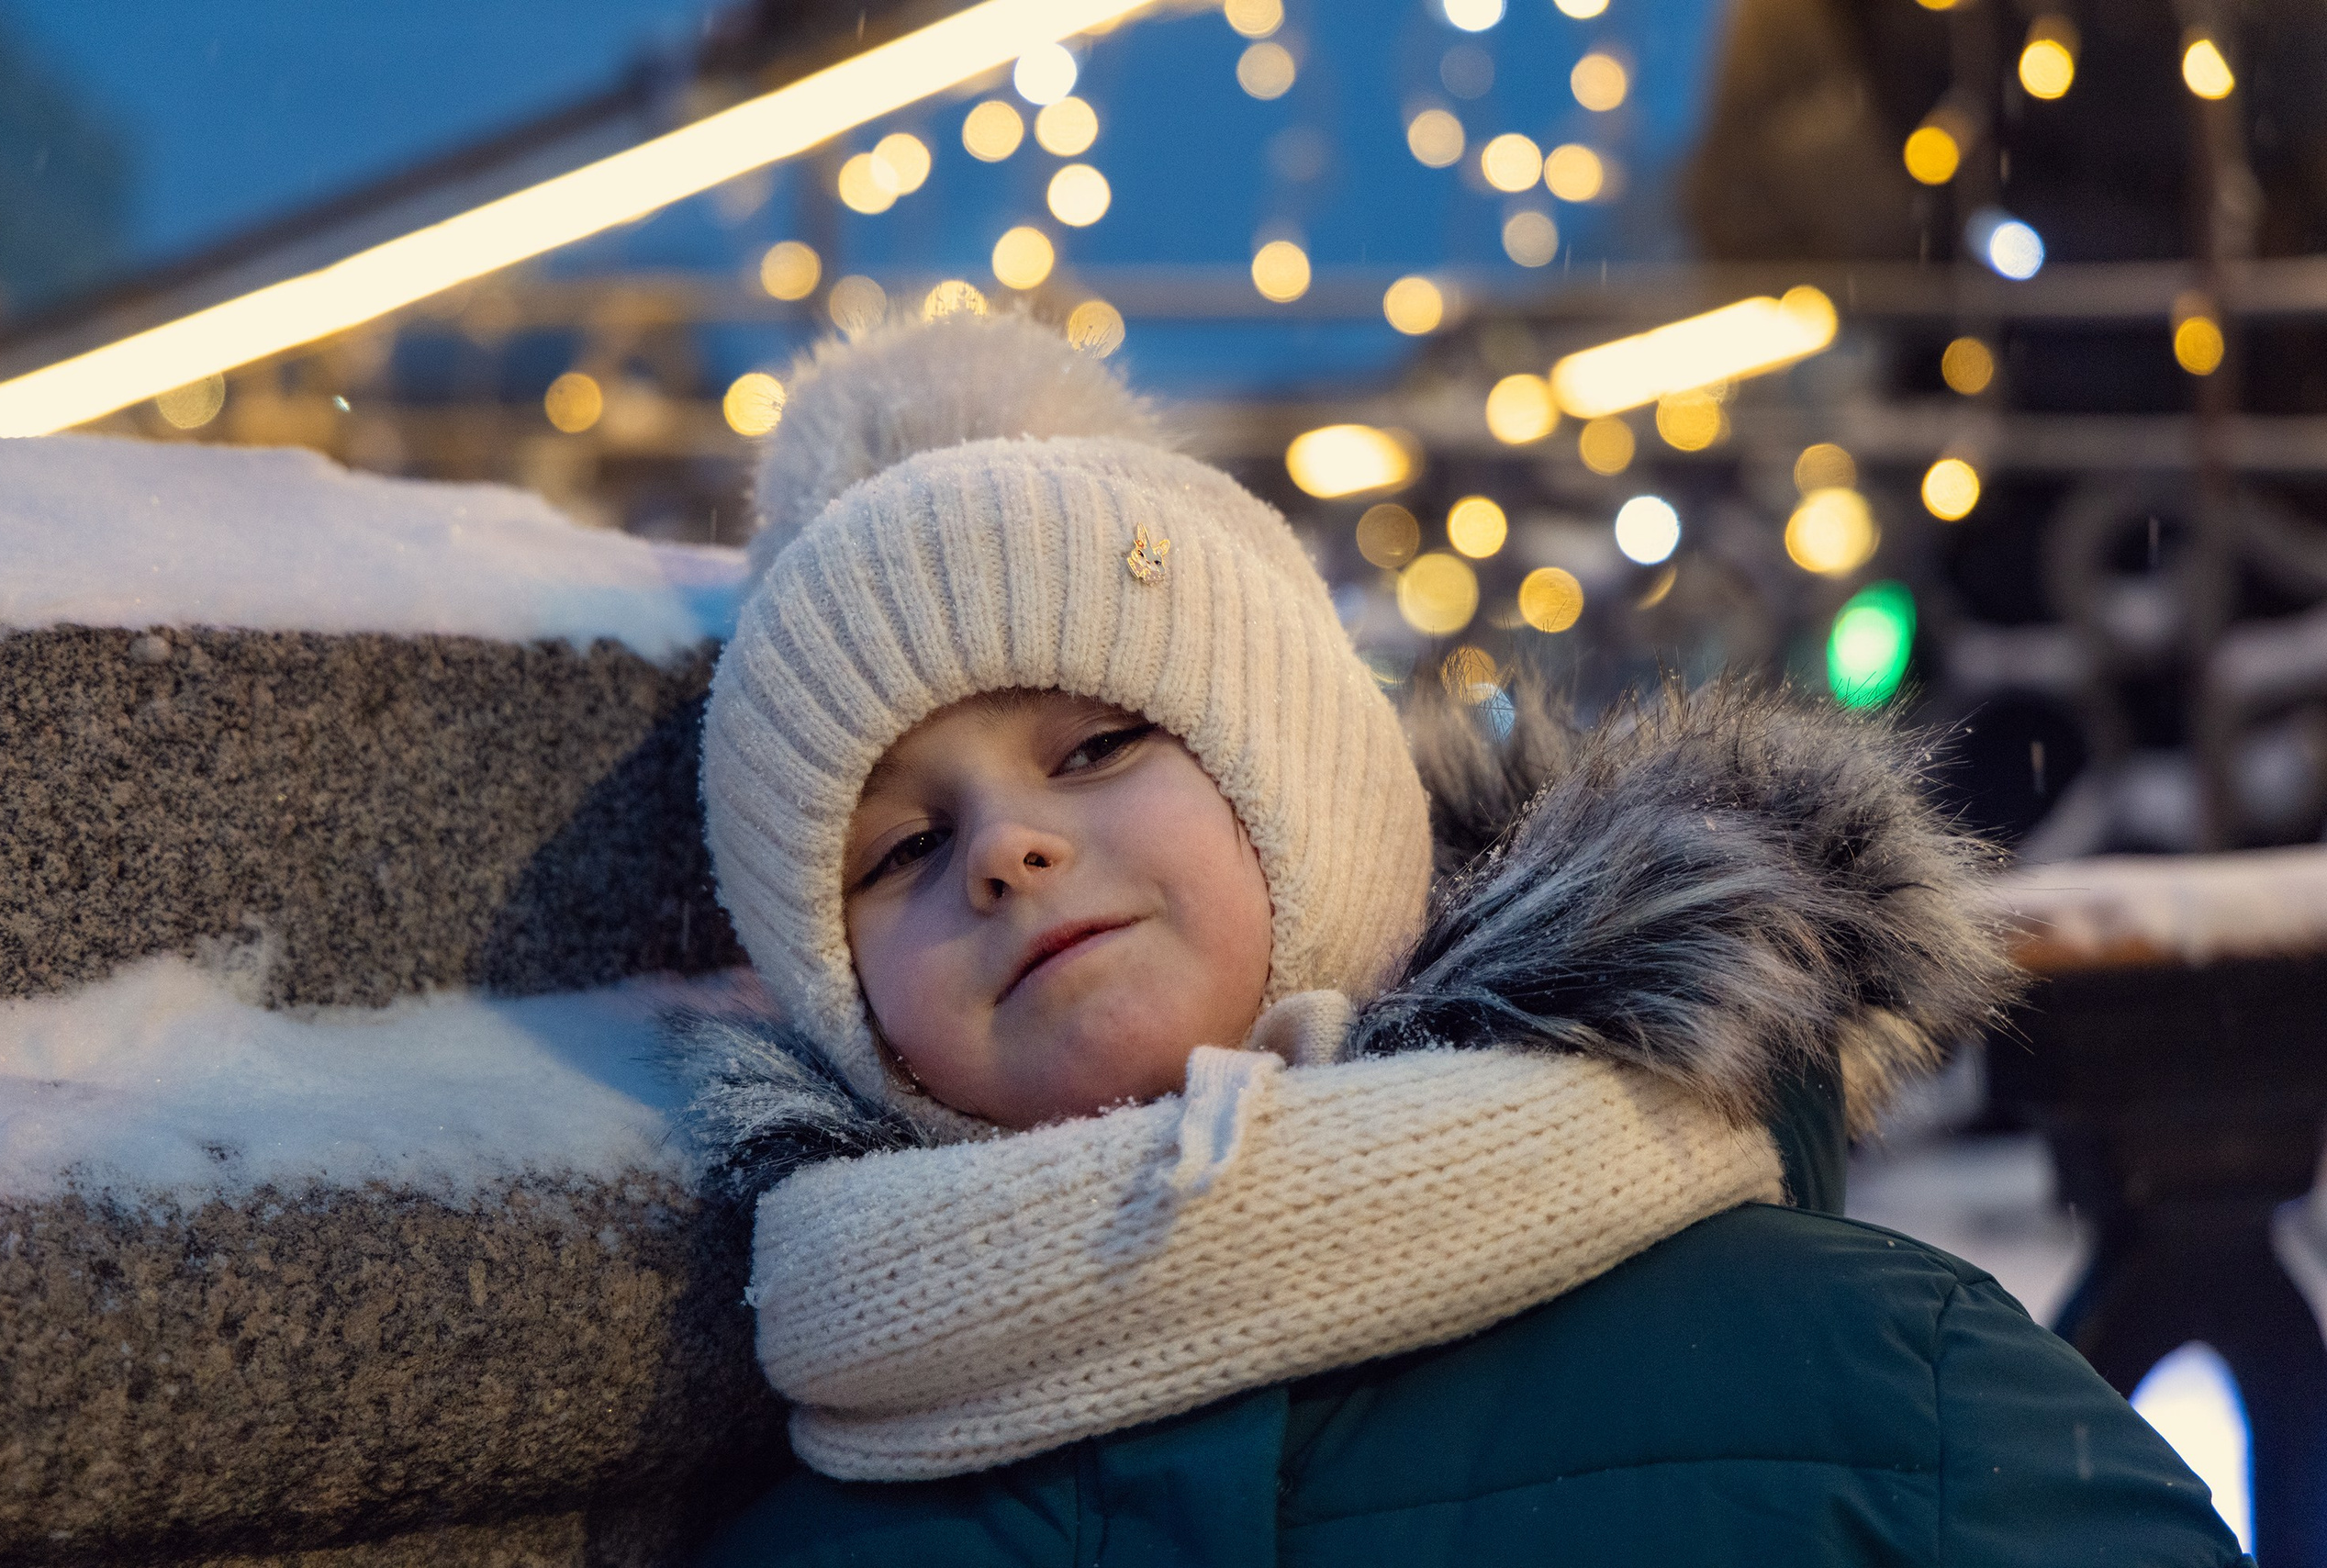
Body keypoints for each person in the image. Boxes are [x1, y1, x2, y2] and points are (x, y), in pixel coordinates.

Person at [679, 310, 2245, 1566]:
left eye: (1094, 749)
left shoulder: (1882, 1387)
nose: (1006, 853)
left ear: (1304, 781)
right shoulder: (818, 1524)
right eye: (901, 848)